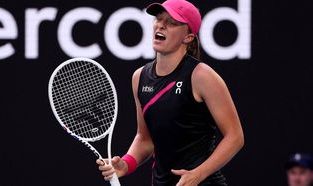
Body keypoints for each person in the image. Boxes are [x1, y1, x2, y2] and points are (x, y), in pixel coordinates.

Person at [97, 0, 244, 185]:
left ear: (188, 37)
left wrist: (198, 174)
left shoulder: (201, 76)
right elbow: (145, 138)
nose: (161, 25)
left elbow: (235, 137)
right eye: (159, 18)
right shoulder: (139, 77)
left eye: (172, 22)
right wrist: (126, 164)